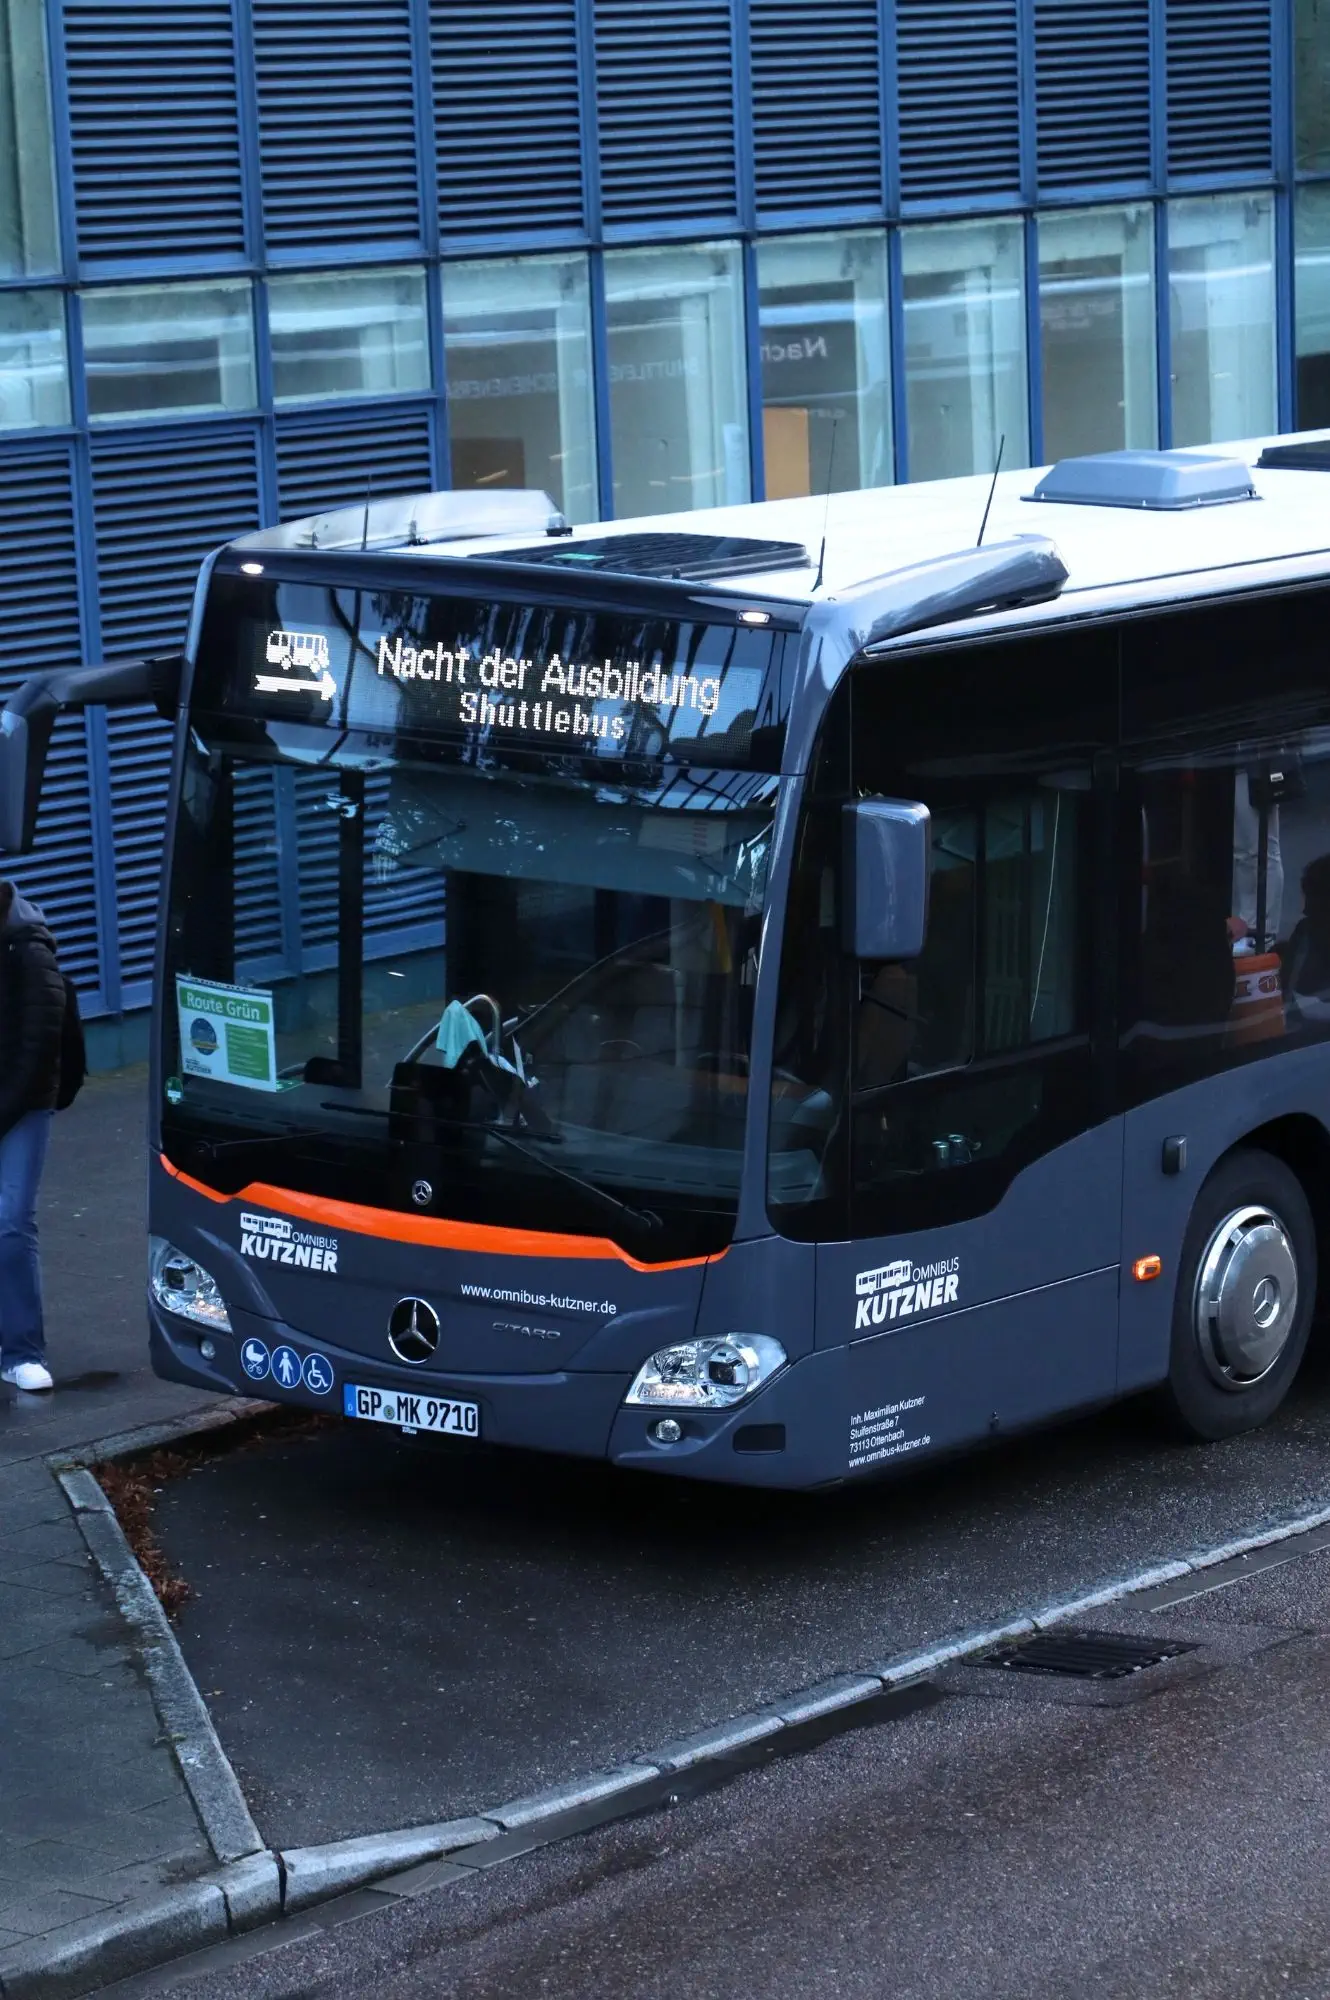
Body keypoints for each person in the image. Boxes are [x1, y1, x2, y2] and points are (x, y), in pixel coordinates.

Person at [0, 879, 69, 1392]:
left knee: (11, 1220)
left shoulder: (26, 944)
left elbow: (39, 1042)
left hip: (22, 1103)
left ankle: (22, 1351)